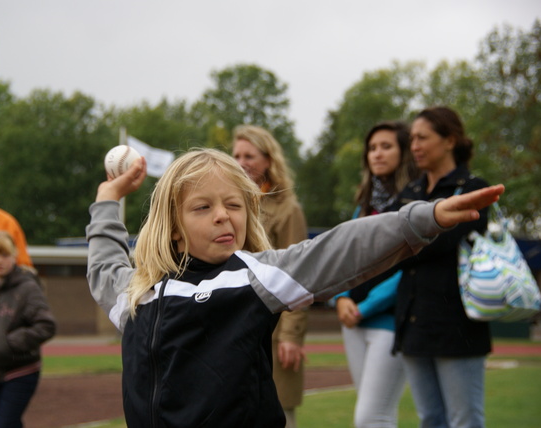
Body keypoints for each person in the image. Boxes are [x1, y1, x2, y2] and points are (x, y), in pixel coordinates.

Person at [86, 148, 503, 428]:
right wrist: (107, 197)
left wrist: (422, 219)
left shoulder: (257, 276)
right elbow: (105, 265)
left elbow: (340, 248)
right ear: (174, 228)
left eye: (233, 205)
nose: (222, 216)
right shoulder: (140, 294)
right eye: (202, 207)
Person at [391, 106, 492, 427]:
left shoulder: (474, 188)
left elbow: (435, 244)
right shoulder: (410, 193)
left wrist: (404, 243)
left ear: (450, 140)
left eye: (423, 138)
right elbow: (389, 242)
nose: (415, 146)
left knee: (465, 420)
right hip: (414, 323)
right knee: (430, 420)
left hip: (458, 327)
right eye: (412, 139)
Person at [331, 121, 419, 427]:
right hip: (353, 323)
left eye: (386, 146)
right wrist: (340, 299)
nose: (377, 154)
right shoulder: (365, 206)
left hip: (390, 322)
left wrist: (365, 307)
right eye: (372, 148)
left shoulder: (415, 204)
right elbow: (345, 258)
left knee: (371, 417)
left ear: (404, 152)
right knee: (374, 416)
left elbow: (411, 269)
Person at [232, 125, 308, 428]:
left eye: (249, 155)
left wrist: (291, 335)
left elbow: (299, 274)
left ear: (268, 160)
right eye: (236, 155)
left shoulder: (289, 210)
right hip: (235, 326)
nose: (241, 161)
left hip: (274, 329)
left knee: (279, 412)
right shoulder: (229, 204)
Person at [0, 231, 56, 428]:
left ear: (15, 255)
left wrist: (11, 342)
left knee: (4, 424)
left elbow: (46, 325)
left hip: (20, 371)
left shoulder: (27, 288)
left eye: (5, 255)